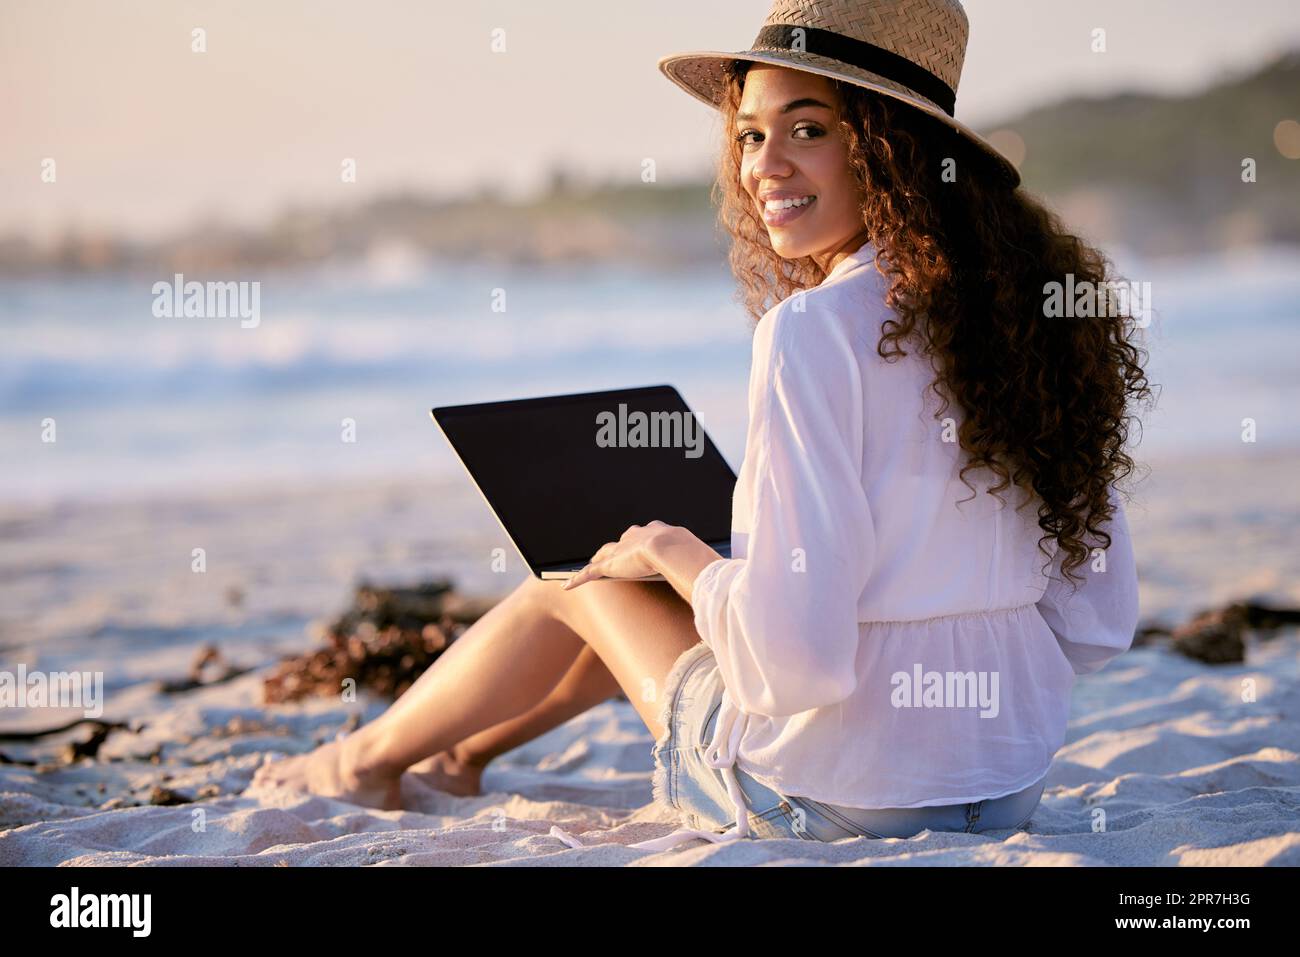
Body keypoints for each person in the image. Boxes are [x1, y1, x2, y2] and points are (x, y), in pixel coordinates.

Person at [251, 0, 1150, 852]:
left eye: (808, 130)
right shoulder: (1030, 322)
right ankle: (460, 755)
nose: (764, 166)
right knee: (662, 587)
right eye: (751, 135)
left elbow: (793, 665)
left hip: (829, 806)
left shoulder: (812, 331)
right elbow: (1096, 626)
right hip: (1005, 789)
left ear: (891, 148)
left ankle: (357, 762)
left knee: (582, 580)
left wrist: (684, 558)